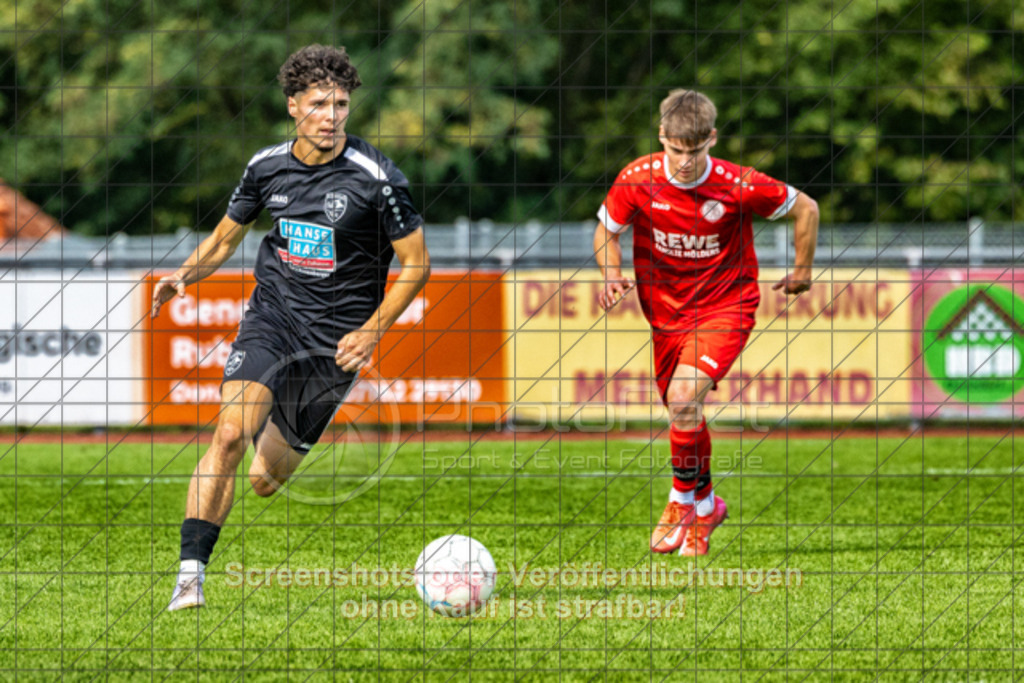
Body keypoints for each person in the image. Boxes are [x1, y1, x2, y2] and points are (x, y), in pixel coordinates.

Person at [152, 45, 430, 610]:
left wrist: (372, 331)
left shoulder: (378, 178)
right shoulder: (265, 167)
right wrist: (184, 273)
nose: (332, 116)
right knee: (228, 434)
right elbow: (225, 240)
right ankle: (190, 577)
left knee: (264, 480)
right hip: (272, 318)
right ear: (293, 108)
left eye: (342, 104)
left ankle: (268, 436)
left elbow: (417, 265)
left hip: (332, 347)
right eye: (320, 104)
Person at [593, 89, 818, 557]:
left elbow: (806, 208)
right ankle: (708, 504)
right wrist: (610, 273)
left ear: (711, 139)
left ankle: (679, 500)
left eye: (694, 152)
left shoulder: (738, 183)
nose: (684, 162)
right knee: (685, 413)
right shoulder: (637, 178)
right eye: (675, 150)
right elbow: (606, 231)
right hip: (665, 318)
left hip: (726, 307)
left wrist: (802, 269)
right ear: (662, 138)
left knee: (682, 398)